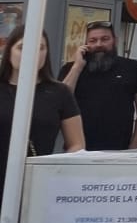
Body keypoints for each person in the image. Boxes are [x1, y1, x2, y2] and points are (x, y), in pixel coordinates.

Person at [61, 21, 137, 151]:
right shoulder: (71, 69)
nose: (99, 44)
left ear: (115, 41)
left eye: (105, 39)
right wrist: (77, 67)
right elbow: (61, 100)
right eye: (93, 40)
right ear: (85, 44)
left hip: (119, 151)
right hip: (78, 150)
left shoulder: (133, 68)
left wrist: (133, 148)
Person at [0, 28, 85, 163]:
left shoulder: (59, 92)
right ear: (9, 51)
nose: (31, 52)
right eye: (22, 47)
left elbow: (77, 144)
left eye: (40, 48)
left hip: (36, 172)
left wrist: (55, 168)